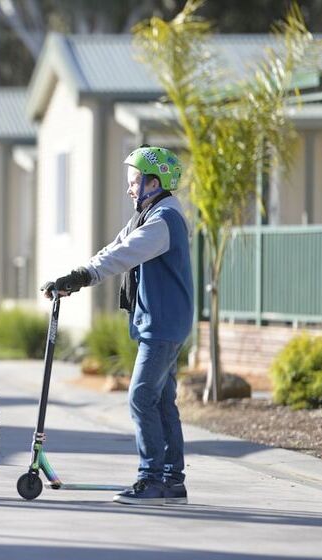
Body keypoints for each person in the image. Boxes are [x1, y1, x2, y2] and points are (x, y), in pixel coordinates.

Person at [42, 146, 192, 506]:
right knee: (161, 400)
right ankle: (172, 481)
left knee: (141, 397)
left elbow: (126, 253)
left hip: (164, 324)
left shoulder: (163, 220)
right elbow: (113, 247)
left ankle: (151, 479)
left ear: (154, 183)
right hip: (156, 321)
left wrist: (85, 275)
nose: (129, 188)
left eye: (135, 181)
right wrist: (76, 277)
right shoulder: (147, 213)